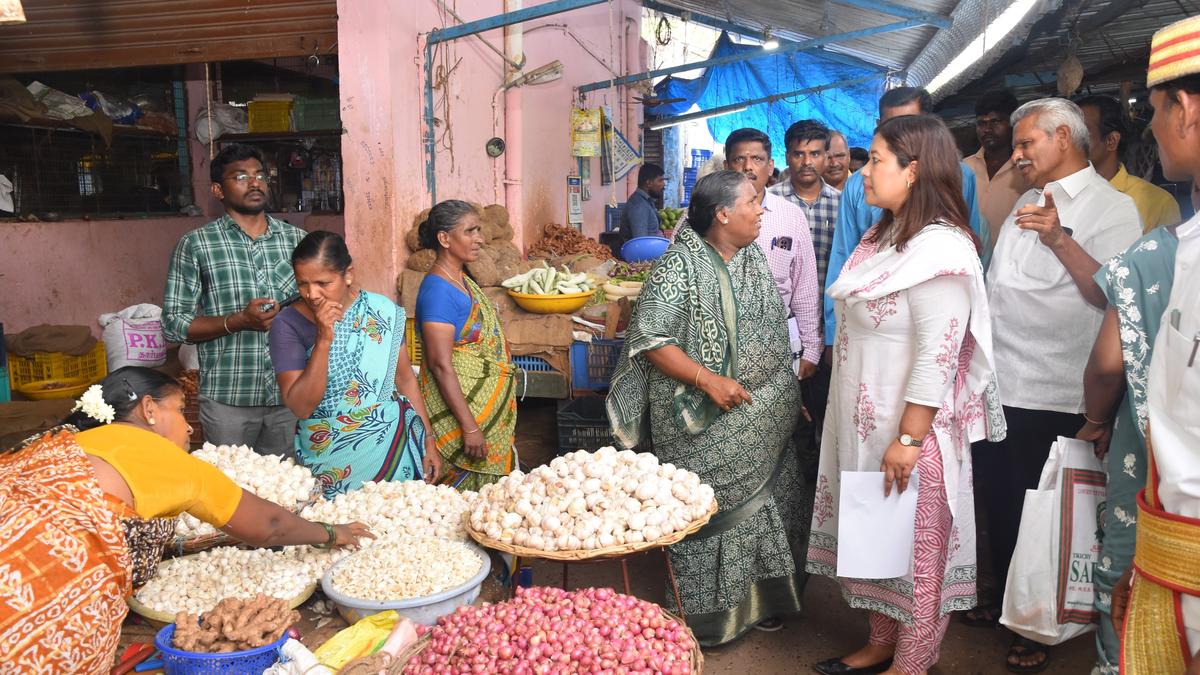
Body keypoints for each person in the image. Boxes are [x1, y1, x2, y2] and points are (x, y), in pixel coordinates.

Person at [0, 367, 372, 672]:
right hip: (37, 589)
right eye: (179, 410)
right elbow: (268, 525)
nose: (189, 426)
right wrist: (329, 532)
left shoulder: (65, 440)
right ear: (149, 409)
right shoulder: (163, 459)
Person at [807, 114, 1000, 675]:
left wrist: (910, 437)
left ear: (913, 171)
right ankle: (881, 640)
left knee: (916, 553)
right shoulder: (883, 235)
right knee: (876, 539)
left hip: (909, 430)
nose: (864, 172)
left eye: (878, 161)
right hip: (868, 424)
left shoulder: (943, 251)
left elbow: (938, 353)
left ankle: (911, 661)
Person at [969, 97, 1141, 672]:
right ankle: (1003, 598)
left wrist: (1060, 239)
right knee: (998, 498)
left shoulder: (1113, 209)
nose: (1016, 156)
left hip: (1057, 388)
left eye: (1026, 144)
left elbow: (1110, 297)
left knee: (1043, 511)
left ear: (1063, 139)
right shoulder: (1022, 199)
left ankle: (1037, 623)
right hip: (1001, 383)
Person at [606, 170, 810, 646]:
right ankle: (706, 620)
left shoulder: (752, 256)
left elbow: (770, 331)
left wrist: (782, 392)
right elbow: (651, 340)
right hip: (703, 420)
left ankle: (767, 602)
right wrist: (708, 380)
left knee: (773, 503)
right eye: (751, 203)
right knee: (713, 513)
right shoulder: (678, 268)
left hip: (763, 414)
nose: (761, 210)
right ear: (722, 214)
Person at [1112, 19, 1200, 673]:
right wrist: (1152, 564)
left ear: (1187, 109)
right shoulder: (1186, 250)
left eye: (1157, 109)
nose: (1153, 130)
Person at [1078, 221, 1180, 674]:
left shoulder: (1155, 253)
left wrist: (1096, 419)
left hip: (1151, 459)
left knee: (1129, 580)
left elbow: (1106, 363)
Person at [269, 231, 442, 497]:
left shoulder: (380, 311)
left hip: (390, 450)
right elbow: (301, 407)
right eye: (302, 284)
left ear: (348, 274)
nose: (311, 294)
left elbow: (405, 378)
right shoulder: (288, 324)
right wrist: (324, 339)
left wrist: (428, 441)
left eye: (322, 283)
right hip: (327, 457)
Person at [163, 143, 306, 456]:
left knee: (288, 488)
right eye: (241, 177)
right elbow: (173, 325)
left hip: (289, 393)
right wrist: (238, 321)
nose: (254, 183)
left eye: (260, 175)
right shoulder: (197, 244)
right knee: (233, 492)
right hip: (229, 397)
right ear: (218, 189)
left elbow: (317, 303)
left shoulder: (297, 241)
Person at [824, 87, 987, 354]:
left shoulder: (949, 238)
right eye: (890, 126)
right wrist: (833, 331)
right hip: (866, 335)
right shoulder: (860, 191)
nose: (864, 171)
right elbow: (843, 257)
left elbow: (932, 367)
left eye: (909, 126)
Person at [416, 200, 517, 491]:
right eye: (470, 231)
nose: (480, 239)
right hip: (460, 419)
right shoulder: (438, 291)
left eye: (479, 231)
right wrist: (470, 427)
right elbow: (440, 364)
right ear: (444, 239)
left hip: (478, 412)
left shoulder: (461, 278)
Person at [768, 119, 843, 464]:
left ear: (827, 156)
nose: (806, 162)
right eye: (798, 154)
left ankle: (818, 475)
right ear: (787, 156)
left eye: (815, 153)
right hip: (781, 325)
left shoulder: (843, 205)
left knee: (825, 404)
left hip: (829, 322)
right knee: (785, 410)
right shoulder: (769, 202)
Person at [724, 128, 821, 380]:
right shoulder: (701, 214)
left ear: (770, 166)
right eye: (739, 159)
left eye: (757, 159)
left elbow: (805, 287)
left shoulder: (790, 216)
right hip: (718, 343)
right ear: (726, 166)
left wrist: (811, 348)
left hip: (778, 343)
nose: (748, 167)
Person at [1076, 94, 1181, 233]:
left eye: (1081, 133)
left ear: (1111, 141)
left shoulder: (1158, 203)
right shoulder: (1055, 195)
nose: (1068, 142)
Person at [963, 91, 1030, 257]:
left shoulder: (1027, 170)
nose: (987, 129)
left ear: (1013, 124)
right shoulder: (964, 168)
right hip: (969, 260)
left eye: (996, 122)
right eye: (981, 123)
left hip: (1011, 263)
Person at [618, 163, 666, 244]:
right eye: (660, 180)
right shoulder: (638, 206)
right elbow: (640, 243)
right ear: (649, 183)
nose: (663, 184)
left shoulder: (646, 201)